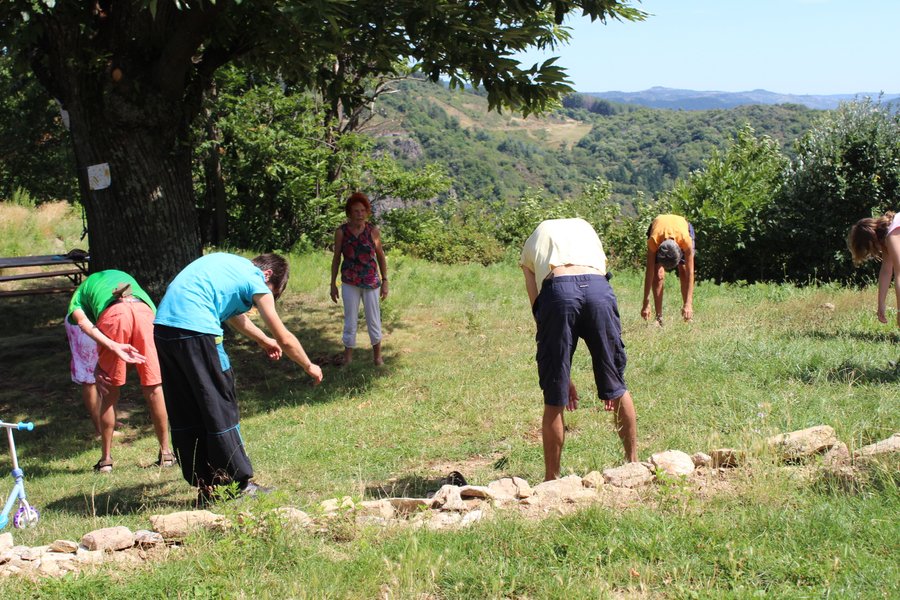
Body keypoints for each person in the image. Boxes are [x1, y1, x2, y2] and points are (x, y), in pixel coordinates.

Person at [154, 253, 323, 501]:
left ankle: (207, 484)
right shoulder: (255, 279)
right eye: (271, 293)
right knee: (219, 405)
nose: (261, 302)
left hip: (163, 330)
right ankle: (237, 485)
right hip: (197, 332)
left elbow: (235, 315)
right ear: (267, 276)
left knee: (188, 408)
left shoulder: (229, 267)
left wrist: (264, 340)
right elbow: (285, 337)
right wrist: (309, 365)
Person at [520, 218, 638, 481]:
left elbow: (537, 305)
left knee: (554, 397)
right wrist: (607, 380)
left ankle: (552, 479)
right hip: (598, 289)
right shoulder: (587, 227)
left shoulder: (533, 241)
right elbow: (599, 270)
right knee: (617, 385)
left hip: (558, 289)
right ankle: (633, 464)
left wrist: (561, 375)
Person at [67, 271, 173, 472]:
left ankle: (106, 460)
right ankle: (166, 454)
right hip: (145, 313)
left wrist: (111, 348)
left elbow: (82, 322)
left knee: (109, 390)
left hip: (114, 316)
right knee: (154, 386)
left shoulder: (79, 295)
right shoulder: (121, 278)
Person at [330, 192, 389, 366]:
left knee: (373, 318)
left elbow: (380, 256)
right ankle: (347, 358)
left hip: (371, 281)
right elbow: (336, 258)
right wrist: (332, 284)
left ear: (367, 212)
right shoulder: (341, 232)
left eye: (363, 210)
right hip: (349, 281)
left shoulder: (373, 231)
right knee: (350, 320)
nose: (360, 214)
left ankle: (378, 357)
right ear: (349, 213)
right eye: (356, 211)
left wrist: (385, 280)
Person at [848, 211, 900, 328]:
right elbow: (886, 270)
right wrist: (881, 304)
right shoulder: (888, 235)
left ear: (870, 242)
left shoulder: (892, 236)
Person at [641, 214, 696, 325]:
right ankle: (658, 318)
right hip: (658, 227)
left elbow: (690, 273)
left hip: (681, 227)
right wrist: (646, 303)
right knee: (657, 275)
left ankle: (687, 316)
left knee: (684, 271)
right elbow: (649, 272)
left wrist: (688, 304)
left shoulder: (686, 240)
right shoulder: (654, 241)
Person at [64, 319, 101, 437]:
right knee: (89, 377)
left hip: (92, 321)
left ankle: (107, 420)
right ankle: (101, 428)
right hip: (85, 322)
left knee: (101, 372)